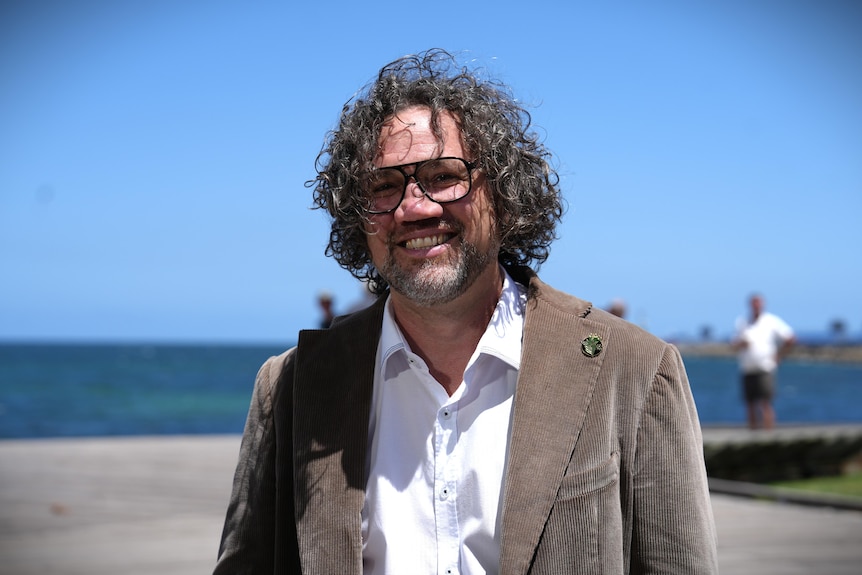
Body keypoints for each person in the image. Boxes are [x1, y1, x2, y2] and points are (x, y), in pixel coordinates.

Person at [214, 49, 718, 574]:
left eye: (443, 176)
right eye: (384, 186)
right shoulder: (291, 387)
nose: (414, 207)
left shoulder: (633, 369)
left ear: (503, 194)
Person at [732, 293, 796, 430]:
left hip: (765, 367)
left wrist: (780, 356)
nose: (756, 306)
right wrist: (741, 344)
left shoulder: (771, 321)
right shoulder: (743, 322)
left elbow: (790, 338)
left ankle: (768, 433)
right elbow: (734, 343)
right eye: (754, 303)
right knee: (750, 404)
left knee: (765, 403)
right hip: (747, 368)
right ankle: (753, 433)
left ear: (762, 305)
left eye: (758, 303)